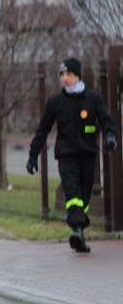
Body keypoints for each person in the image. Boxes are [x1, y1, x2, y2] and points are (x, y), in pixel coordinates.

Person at [26, 57, 117, 253]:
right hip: (66, 155)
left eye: (69, 74)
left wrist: (110, 136)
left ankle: (79, 231)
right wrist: (33, 156)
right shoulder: (55, 102)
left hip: (87, 156)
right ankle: (76, 228)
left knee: (83, 197)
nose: (65, 78)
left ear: (78, 76)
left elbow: (107, 120)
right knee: (72, 192)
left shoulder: (93, 99)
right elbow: (43, 130)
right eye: (62, 75)